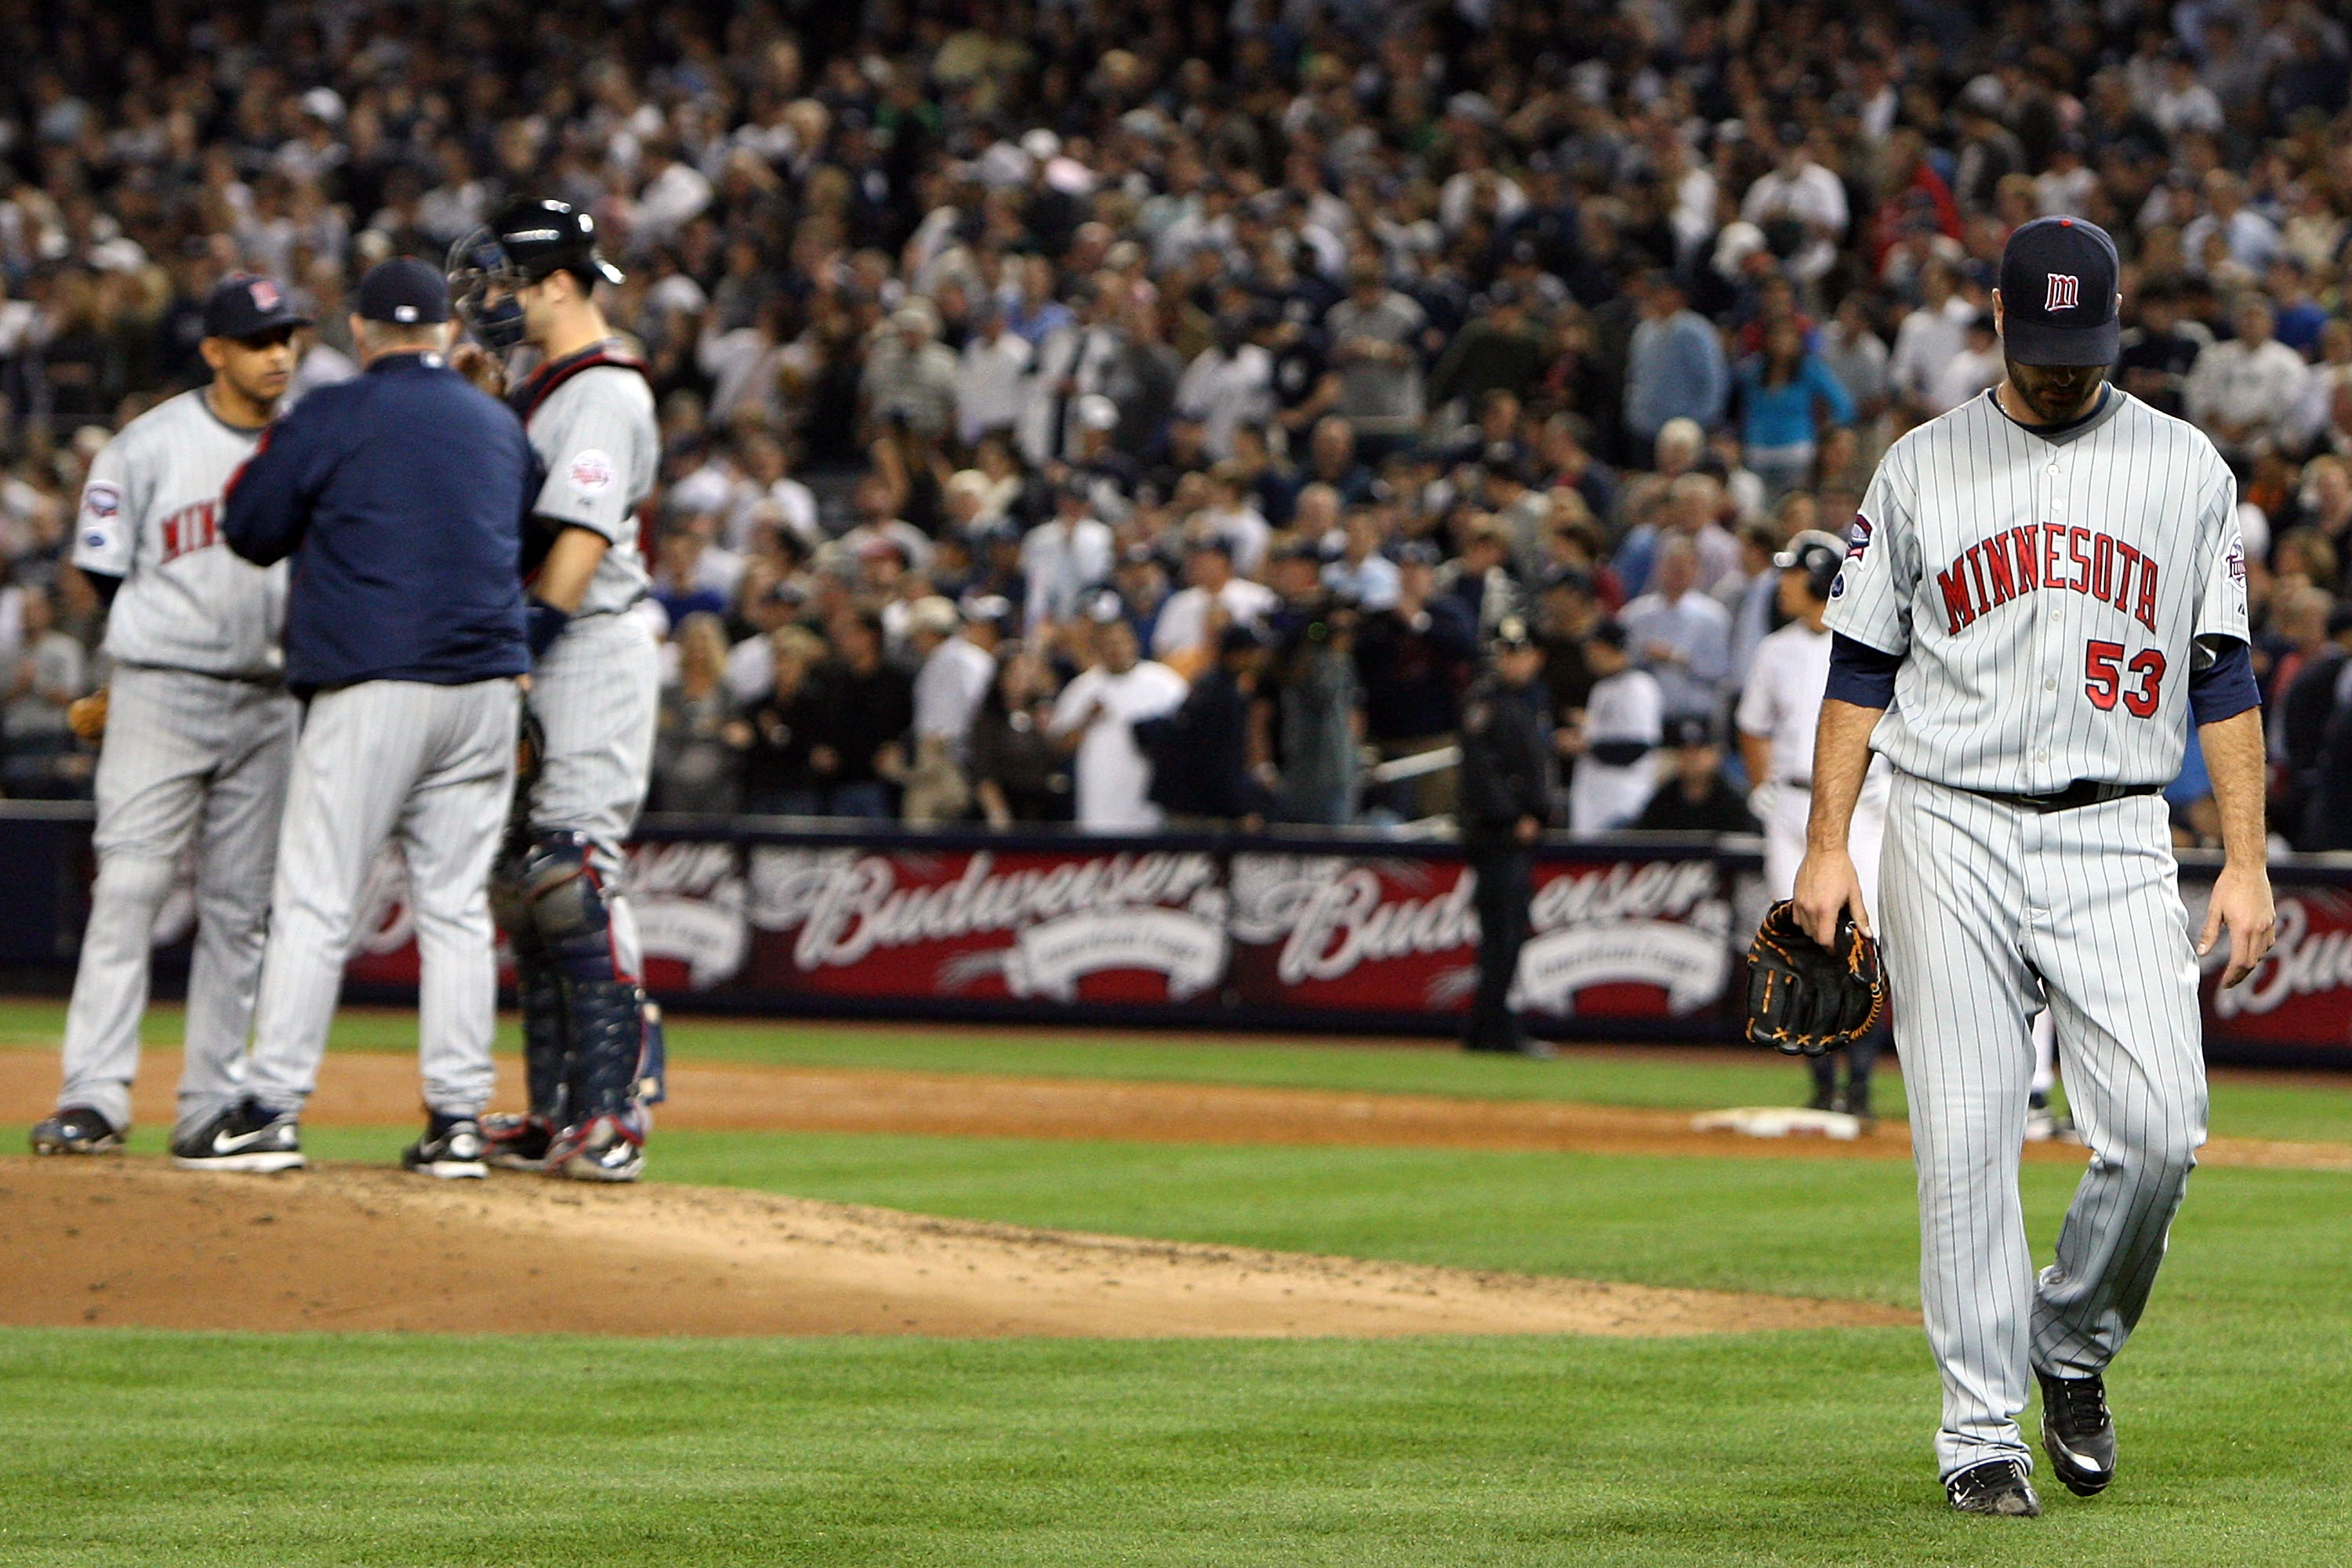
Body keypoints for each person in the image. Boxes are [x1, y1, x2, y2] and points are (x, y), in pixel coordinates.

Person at [1795, 218, 2274, 1517]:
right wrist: (1828, 845)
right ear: (1998, 325)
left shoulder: (2183, 469)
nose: (2064, 373)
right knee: (1963, 1137)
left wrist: (2245, 858)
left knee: (2161, 1131)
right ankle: (1977, 1437)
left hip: (2120, 825)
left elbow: (2223, 673)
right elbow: (1858, 668)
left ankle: (2070, 1340)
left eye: (2087, 349)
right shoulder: (1918, 467)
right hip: (1947, 821)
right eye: (2043, 346)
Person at [220, 256, 535, 1180]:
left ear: (359, 332)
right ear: (444, 331)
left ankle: (271, 1107)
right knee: (454, 907)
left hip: (372, 680)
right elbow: (531, 522)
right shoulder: (495, 422)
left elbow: (250, 526)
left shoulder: (332, 411)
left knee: (317, 898)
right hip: (485, 687)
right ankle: (458, 1123)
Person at [30, 275, 307, 1161]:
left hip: (270, 699)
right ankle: (94, 1097)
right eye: (260, 340)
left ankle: (212, 1103)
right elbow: (102, 571)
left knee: (240, 911)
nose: (279, 354)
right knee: (129, 889)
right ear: (215, 351)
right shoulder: (147, 446)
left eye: (286, 338)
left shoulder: (311, 445)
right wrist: (138, 654)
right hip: (161, 689)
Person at [448, 198, 664, 1182]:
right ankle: (555, 1112)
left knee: (571, 877)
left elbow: (577, 543)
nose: (488, 300)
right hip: (549, 640)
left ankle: (616, 1111)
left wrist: (522, 647)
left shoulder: (604, 392)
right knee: (523, 888)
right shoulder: (550, 386)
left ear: (558, 284)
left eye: (502, 282)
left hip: (586, 642)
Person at [1737, 528, 1894, 1120]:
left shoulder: (1870, 642)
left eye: (1791, 574)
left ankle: (1858, 1084)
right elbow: (1752, 725)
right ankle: (1823, 1083)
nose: (1781, 585)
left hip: (1866, 807)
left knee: (1865, 939)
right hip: (1792, 808)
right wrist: (1761, 788)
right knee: (1803, 940)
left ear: (1819, 580)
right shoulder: (1774, 648)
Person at [1456, 615, 1554, 1058]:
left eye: (1521, 651)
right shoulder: (1488, 701)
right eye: (1507, 652)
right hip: (1497, 835)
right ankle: (1496, 1029)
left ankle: (1487, 1027)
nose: (1514, 661)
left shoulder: (1524, 702)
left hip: (1514, 833)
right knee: (1503, 934)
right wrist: (1516, 816)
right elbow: (1480, 770)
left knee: (1508, 934)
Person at [1048, 607, 1189, 831]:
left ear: (1133, 642)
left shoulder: (1164, 683)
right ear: (1097, 648)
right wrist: (1086, 721)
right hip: (1099, 804)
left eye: (1120, 641)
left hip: (1150, 801)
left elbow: (1189, 737)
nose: (1115, 649)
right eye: (1107, 643)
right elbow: (1057, 747)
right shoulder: (1083, 688)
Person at [1563, 619, 1662, 833]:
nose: (1587, 654)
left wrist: (1585, 746)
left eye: (1592, 647)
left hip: (1623, 804)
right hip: (1595, 803)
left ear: (1605, 647)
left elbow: (1637, 747)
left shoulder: (1639, 686)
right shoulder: (1603, 687)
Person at [1632, 717, 1757, 833]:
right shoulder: (1663, 801)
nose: (1692, 759)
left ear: (1715, 754)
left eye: (1699, 752)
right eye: (1686, 752)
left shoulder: (1734, 803)